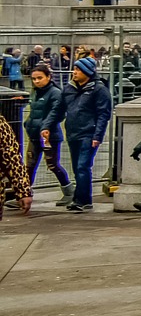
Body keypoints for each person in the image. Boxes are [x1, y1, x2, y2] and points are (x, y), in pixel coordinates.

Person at [61, 56, 112, 212]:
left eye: (78, 69)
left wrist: (98, 136)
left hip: (88, 133)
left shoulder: (99, 89)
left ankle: (81, 200)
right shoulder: (69, 88)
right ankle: (83, 198)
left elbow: (104, 114)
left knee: (83, 166)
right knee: (77, 167)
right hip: (73, 133)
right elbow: (60, 108)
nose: (74, 72)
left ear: (87, 72)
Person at [23, 63, 70, 207]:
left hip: (49, 135)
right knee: (29, 165)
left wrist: (46, 126)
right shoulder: (36, 92)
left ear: (48, 77)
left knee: (53, 164)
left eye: (40, 78)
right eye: (34, 79)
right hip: (34, 134)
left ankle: (68, 191)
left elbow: (56, 113)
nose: (36, 81)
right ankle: (24, 194)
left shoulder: (55, 93)